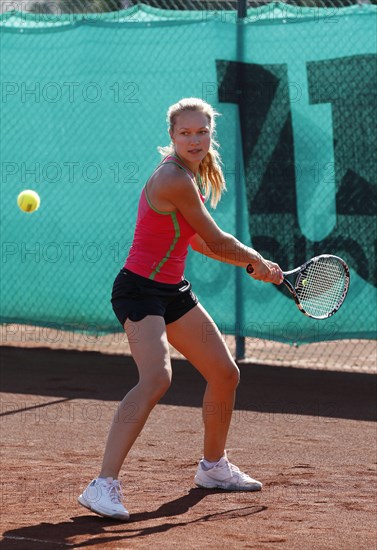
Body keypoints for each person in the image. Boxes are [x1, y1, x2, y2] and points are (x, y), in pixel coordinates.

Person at [78, 97, 283, 521]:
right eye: (185, 132)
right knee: (156, 377)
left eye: (202, 131)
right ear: (171, 136)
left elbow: (201, 243)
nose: (194, 139)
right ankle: (103, 485)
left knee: (225, 374)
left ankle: (213, 468)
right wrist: (255, 262)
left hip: (171, 292)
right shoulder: (173, 178)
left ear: (211, 134)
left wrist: (252, 264)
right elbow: (217, 236)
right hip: (138, 292)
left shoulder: (191, 176)